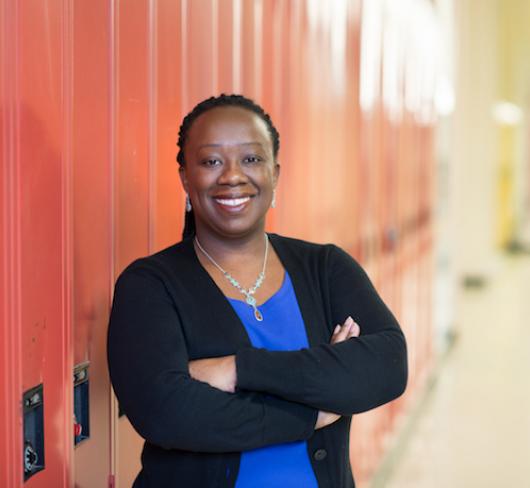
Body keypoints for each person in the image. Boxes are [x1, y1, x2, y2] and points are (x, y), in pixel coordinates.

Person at [107, 94, 408, 488]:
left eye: (251, 159)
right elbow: (166, 412)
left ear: (274, 173)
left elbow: (387, 365)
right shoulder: (150, 285)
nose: (232, 176)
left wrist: (238, 369)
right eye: (211, 161)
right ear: (185, 176)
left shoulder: (325, 268)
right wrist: (313, 410)